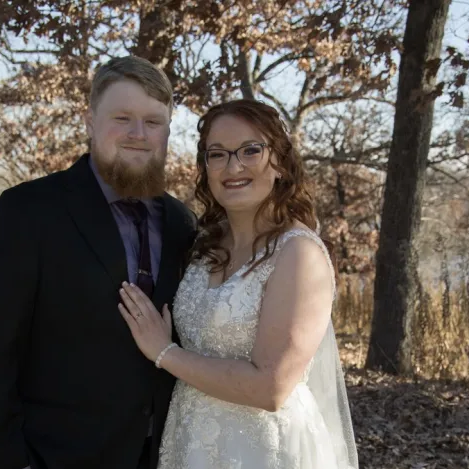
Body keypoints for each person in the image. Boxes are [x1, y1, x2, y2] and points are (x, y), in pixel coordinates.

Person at [0, 56, 197, 469]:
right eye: (122, 117)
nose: (138, 134)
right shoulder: (30, 210)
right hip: (56, 456)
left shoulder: (182, 222)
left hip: (164, 453)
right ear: (90, 120)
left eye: (153, 121)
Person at [117, 99, 359, 468]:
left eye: (251, 150)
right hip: (191, 439)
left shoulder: (298, 254)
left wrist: (165, 353)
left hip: (264, 449)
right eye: (218, 154)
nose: (233, 167)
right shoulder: (203, 247)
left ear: (279, 162)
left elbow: (272, 387)